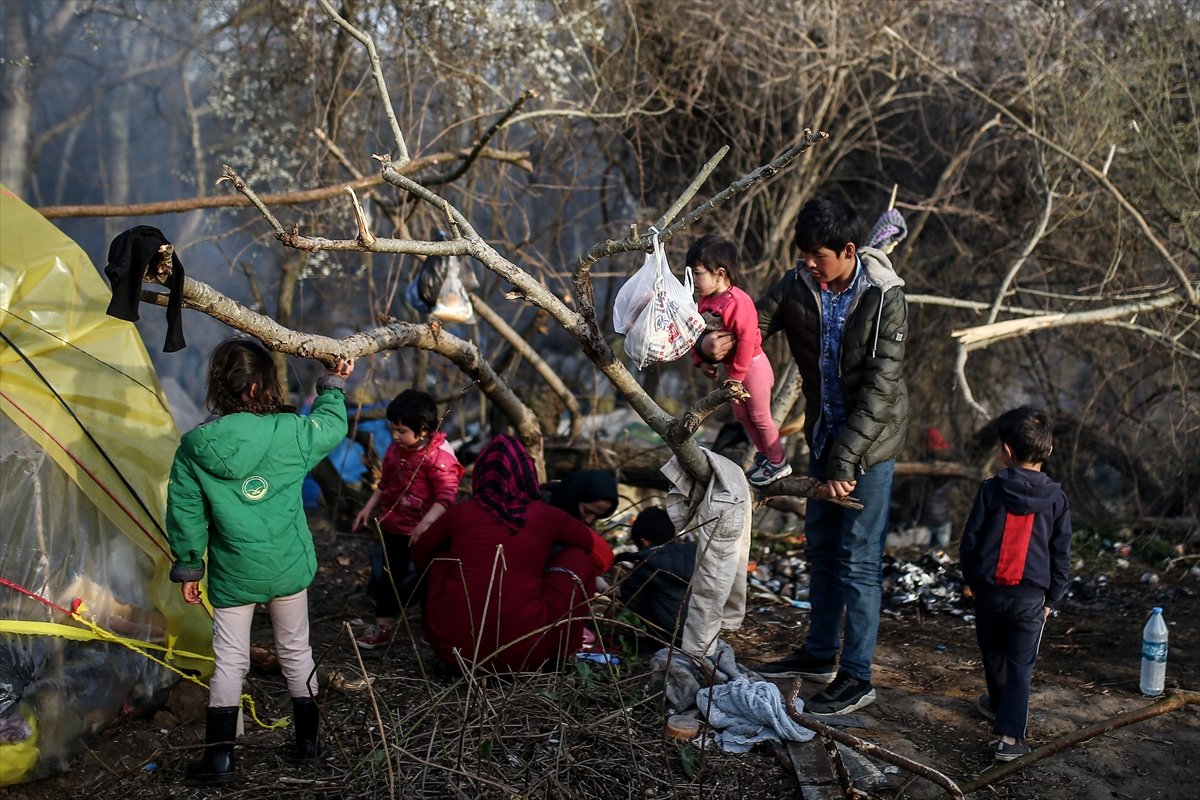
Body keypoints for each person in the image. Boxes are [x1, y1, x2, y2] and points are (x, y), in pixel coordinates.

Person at [166, 338, 353, 783]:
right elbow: (331, 425)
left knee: (230, 659)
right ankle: (307, 744)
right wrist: (332, 383)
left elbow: (186, 513)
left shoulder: (195, 447)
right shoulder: (290, 432)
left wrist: (191, 565)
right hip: (288, 566)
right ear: (258, 389)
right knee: (296, 649)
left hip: (234, 573)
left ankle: (220, 759)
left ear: (222, 388)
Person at [751, 195, 908, 716]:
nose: (809, 264)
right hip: (823, 440)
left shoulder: (884, 295)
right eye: (804, 254)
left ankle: (857, 677)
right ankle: (818, 655)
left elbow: (881, 391)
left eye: (818, 255)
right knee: (819, 550)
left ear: (848, 249)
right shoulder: (801, 284)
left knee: (859, 562)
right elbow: (755, 323)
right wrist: (716, 336)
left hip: (871, 448)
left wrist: (846, 462)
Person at [412, 435, 614, 672]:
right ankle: (563, 653)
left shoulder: (460, 514)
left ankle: (437, 634)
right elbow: (604, 554)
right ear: (528, 474)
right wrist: (547, 571)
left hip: (456, 654)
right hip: (527, 653)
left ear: (481, 474)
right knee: (580, 556)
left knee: (441, 554)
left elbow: (419, 552)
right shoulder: (547, 515)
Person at [959, 407, 1071, 761]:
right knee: (1021, 663)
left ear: (1006, 450)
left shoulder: (991, 489)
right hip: (1030, 600)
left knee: (993, 654)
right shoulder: (1056, 498)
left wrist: (972, 580)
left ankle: (998, 704)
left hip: (990, 593)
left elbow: (970, 540)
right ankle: (1009, 739)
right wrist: (1053, 597)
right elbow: (1060, 552)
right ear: (1048, 451)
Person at [351, 389, 463, 649]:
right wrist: (368, 508)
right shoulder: (396, 450)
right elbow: (386, 483)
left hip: (425, 534)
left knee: (428, 582)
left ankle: (431, 630)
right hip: (394, 526)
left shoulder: (439, 457)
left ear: (423, 430)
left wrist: (424, 526)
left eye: (401, 431)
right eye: (393, 430)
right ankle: (382, 627)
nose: (395, 436)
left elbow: (446, 498)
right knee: (387, 577)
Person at [688, 234, 791, 486]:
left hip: (752, 367)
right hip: (732, 371)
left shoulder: (738, 302)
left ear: (720, 273)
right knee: (742, 416)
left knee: (759, 416)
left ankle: (778, 461)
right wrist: (701, 360)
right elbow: (695, 331)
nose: (693, 281)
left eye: (698, 274)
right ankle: (766, 456)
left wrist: (736, 376)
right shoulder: (704, 301)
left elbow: (746, 341)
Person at [617, 507, 696, 650]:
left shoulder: (648, 563)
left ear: (644, 542)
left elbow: (628, 604)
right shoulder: (694, 555)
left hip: (662, 641)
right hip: (699, 638)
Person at [542, 469, 619, 527]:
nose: (589, 521)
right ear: (575, 497)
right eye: (587, 511)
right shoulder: (540, 504)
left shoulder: (582, 523)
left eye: (598, 516)